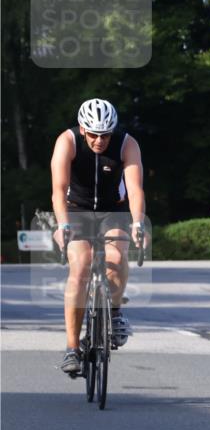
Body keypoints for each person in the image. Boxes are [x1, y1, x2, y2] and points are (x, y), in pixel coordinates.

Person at [51, 98, 147, 374]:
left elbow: (135, 189)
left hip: (112, 210)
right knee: (80, 266)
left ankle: (115, 313)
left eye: (105, 135)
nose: (99, 140)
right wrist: (62, 224)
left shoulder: (127, 144)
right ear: (82, 129)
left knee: (116, 256)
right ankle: (72, 348)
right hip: (76, 210)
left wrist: (138, 223)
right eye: (93, 134)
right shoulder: (67, 141)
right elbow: (59, 190)